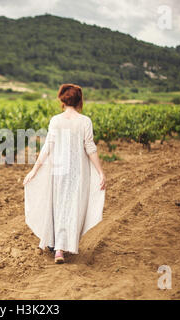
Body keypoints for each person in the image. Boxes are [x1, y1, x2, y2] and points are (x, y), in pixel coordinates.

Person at [23, 83, 106, 264]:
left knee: (58, 204)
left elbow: (48, 148)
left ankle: (55, 244)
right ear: (79, 101)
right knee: (71, 205)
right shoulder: (85, 121)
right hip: (78, 172)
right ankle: (60, 248)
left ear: (62, 100)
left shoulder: (56, 120)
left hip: (58, 170)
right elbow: (90, 148)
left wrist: (34, 170)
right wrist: (100, 172)